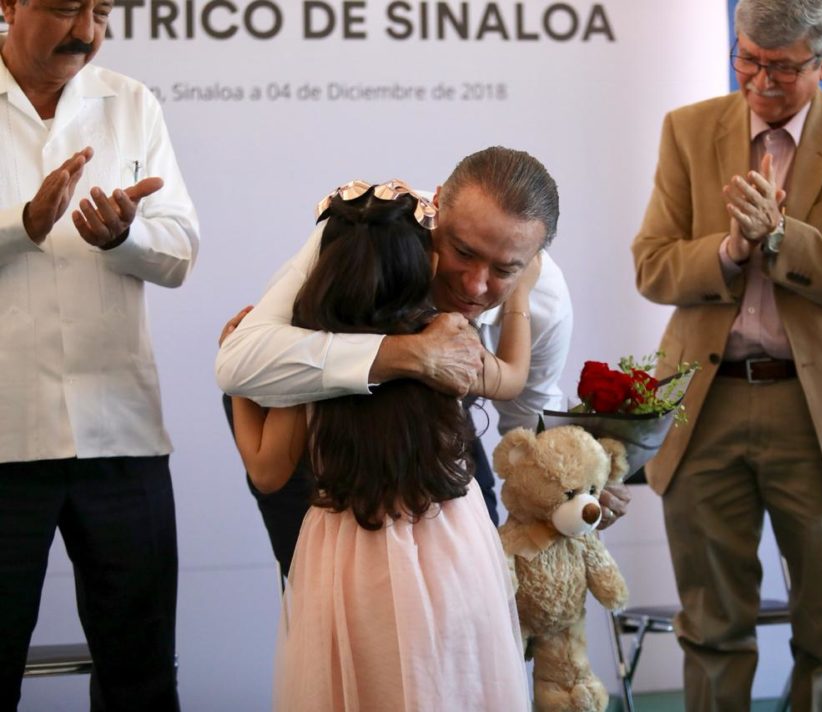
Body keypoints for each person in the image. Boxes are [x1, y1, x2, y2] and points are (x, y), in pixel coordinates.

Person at [631, 1, 822, 709]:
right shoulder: (689, 129)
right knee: (711, 626)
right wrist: (729, 250)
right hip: (706, 401)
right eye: (748, 59)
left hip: (818, 412)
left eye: (782, 68)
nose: (760, 81)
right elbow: (653, 265)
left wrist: (782, 237)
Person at [215, 147, 630, 557]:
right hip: (320, 439)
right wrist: (414, 354)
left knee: (472, 560)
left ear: (533, 259)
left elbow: (527, 407)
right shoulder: (366, 235)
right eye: (463, 252)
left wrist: (576, 483)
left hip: (430, 446)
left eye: (504, 270)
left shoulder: (543, 298)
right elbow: (240, 363)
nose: (475, 285)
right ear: (436, 206)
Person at [229, 183, 529, 710]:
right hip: (452, 551)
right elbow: (513, 378)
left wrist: (243, 387)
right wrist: (519, 298)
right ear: (425, 264)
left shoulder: (308, 369)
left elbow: (266, 471)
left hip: (349, 561)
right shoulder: (447, 337)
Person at [0, 1, 198, 710]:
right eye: (64, 7)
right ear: (8, 6)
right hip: (4, 436)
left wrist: (124, 238)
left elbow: (180, 250)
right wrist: (23, 225)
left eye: (102, 11)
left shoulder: (130, 102)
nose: (85, 30)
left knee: (142, 678)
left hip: (121, 435)